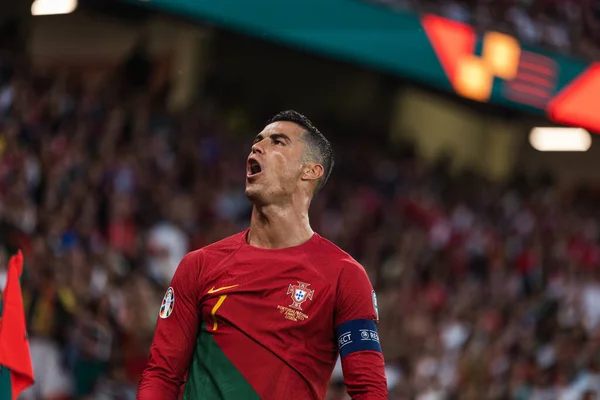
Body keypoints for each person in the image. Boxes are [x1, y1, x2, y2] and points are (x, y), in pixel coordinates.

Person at [137, 110, 387, 399]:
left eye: (277, 142)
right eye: (258, 140)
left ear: (310, 171)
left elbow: (369, 391)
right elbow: (161, 375)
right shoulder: (200, 265)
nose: (257, 146)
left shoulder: (344, 275)